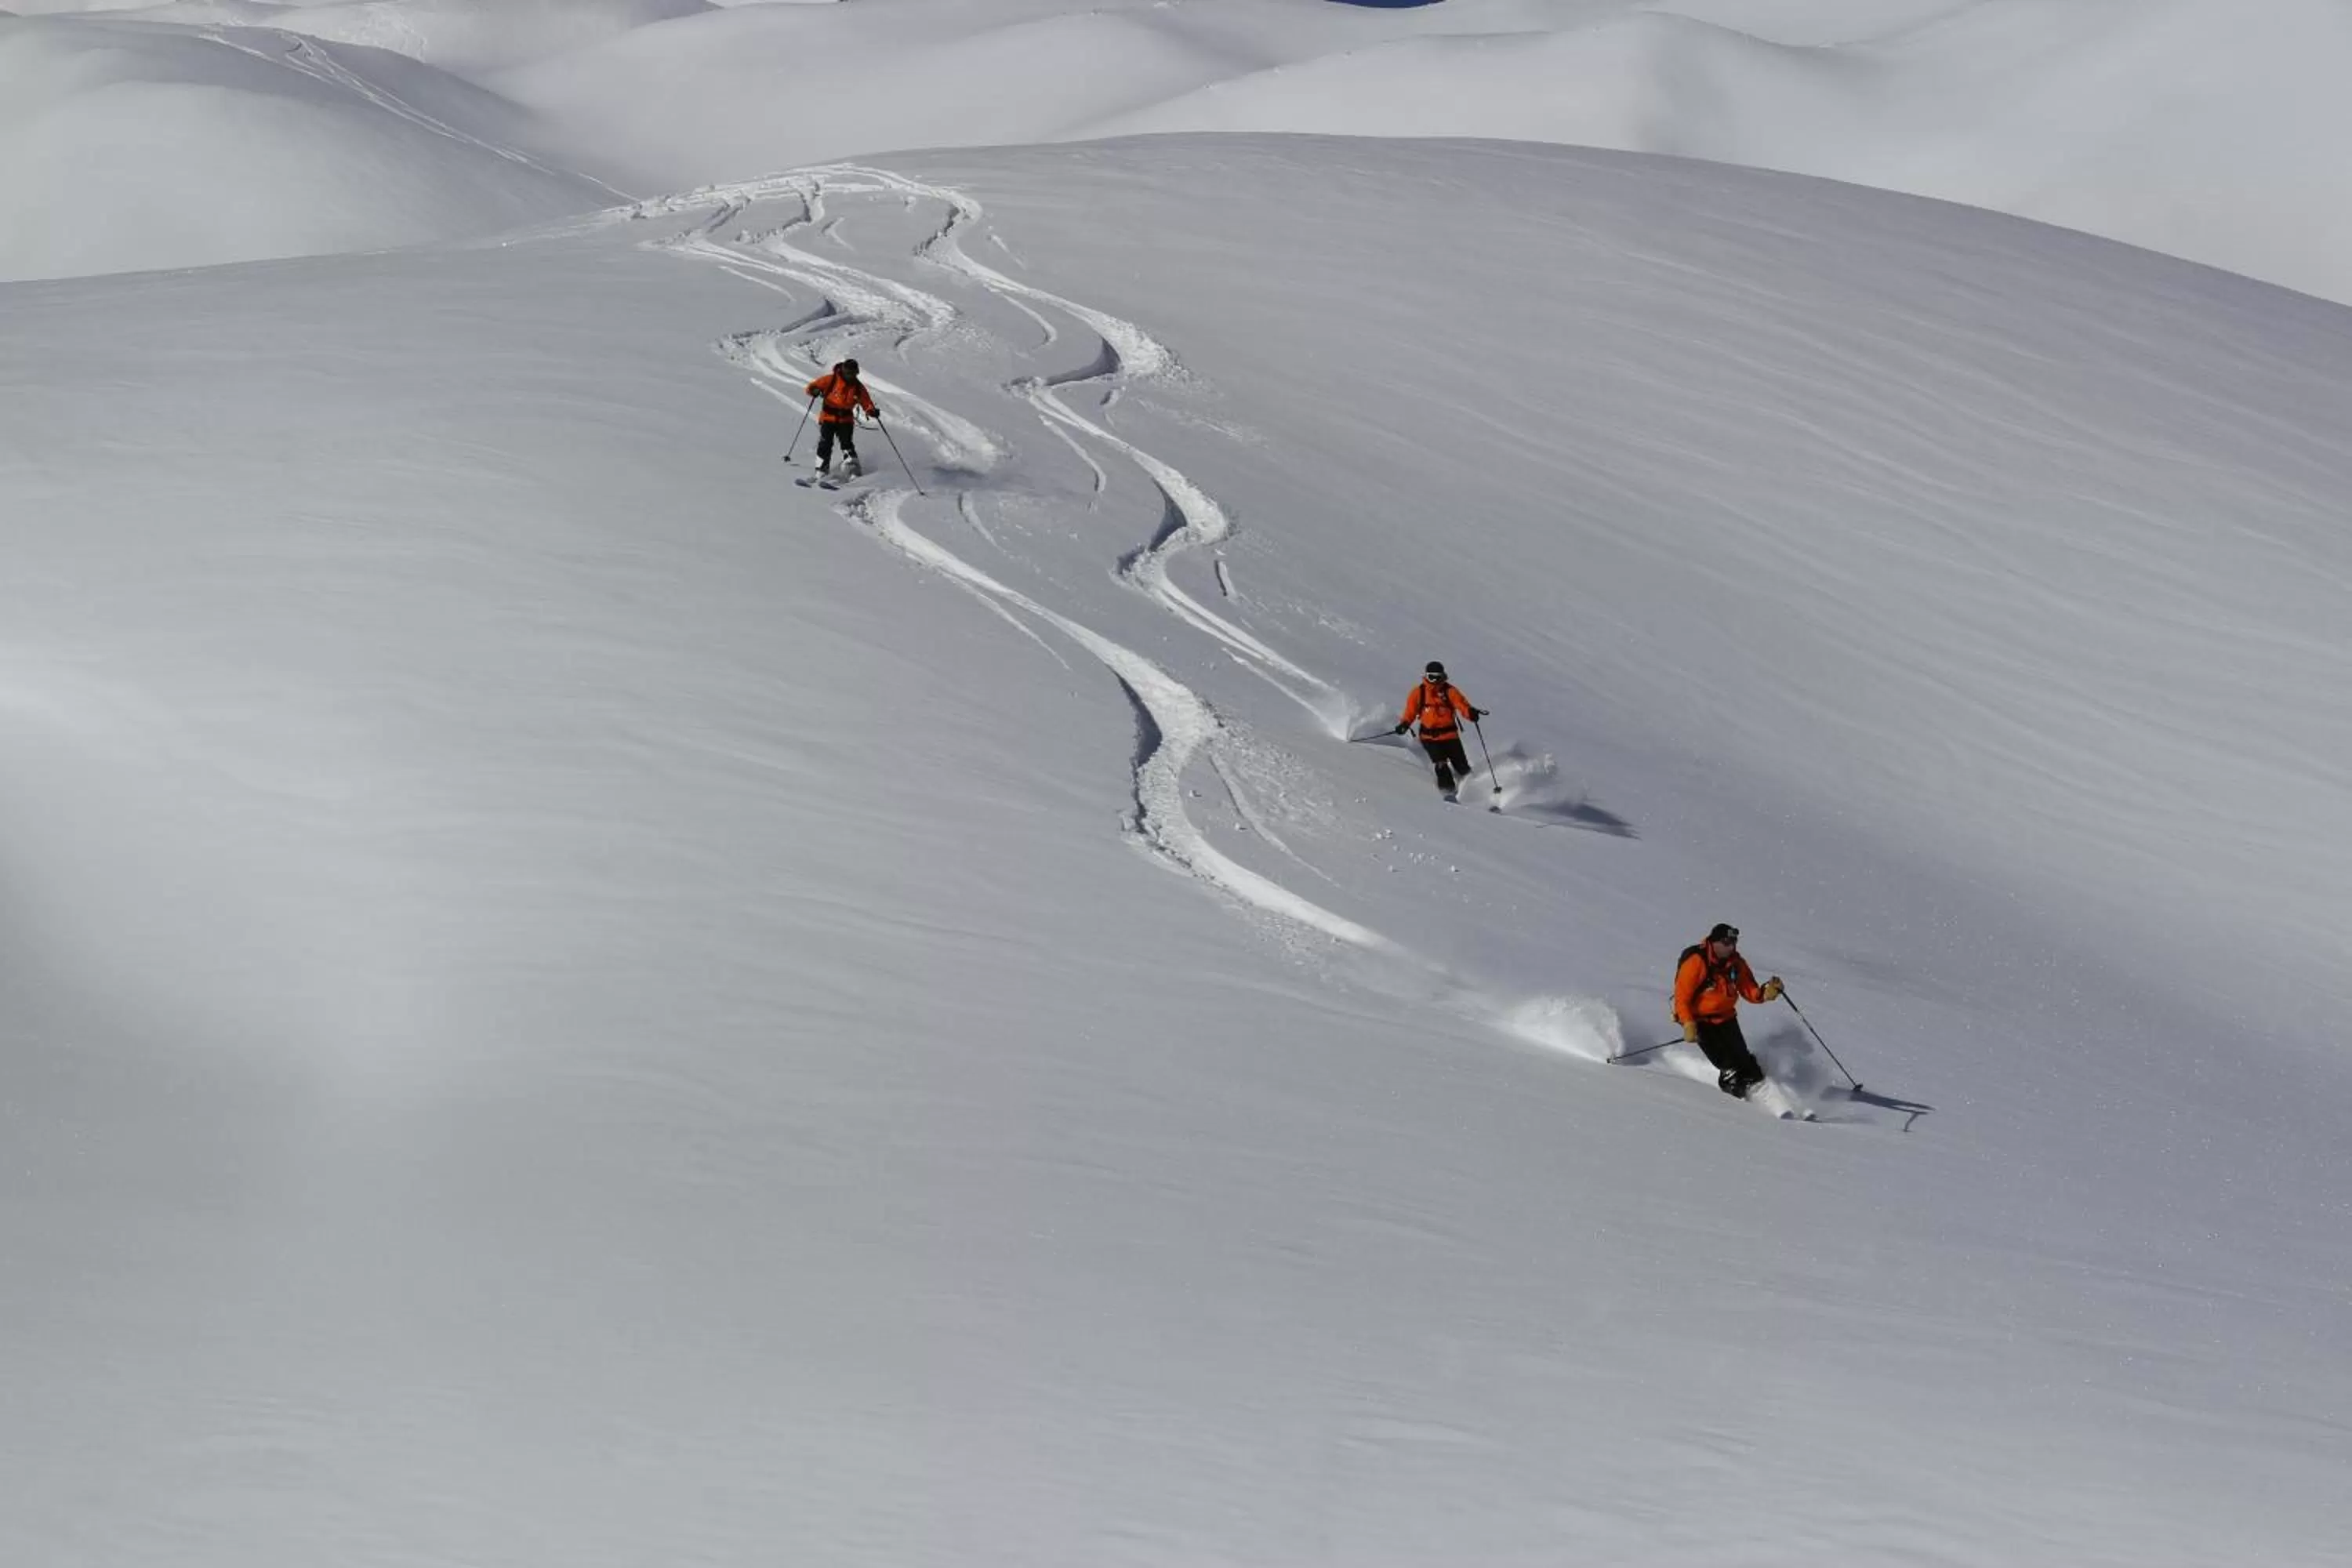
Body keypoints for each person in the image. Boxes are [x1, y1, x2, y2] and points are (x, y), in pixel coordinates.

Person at [1673, 923, 1784, 1098]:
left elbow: (1750, 991)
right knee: (1727, 1063)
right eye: (1726, 943)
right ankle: (1737, 1099)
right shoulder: (1696, 962)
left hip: (1726, 1017)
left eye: (1733, 942)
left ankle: (1763, 1089)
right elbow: (1682, 998)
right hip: (1699, 1021)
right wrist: (1688, 1024)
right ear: (1714, 942)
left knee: (1744, 1061)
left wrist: (1766, 993)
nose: (1730, 947)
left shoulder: (1736, 963)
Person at [1394, 660, 1484, 797]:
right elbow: (1410, 712)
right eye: (1432, 677)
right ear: (1426, 676)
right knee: (1440, 765)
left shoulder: (1450, 691)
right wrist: (1404, 724)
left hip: (1450, 736)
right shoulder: (1418, 693)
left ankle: (1476, 793)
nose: (1435, 681)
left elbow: (1462, 705)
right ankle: (1448, 792)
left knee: (1462, 767)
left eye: (1438, 677)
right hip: (1429, 738)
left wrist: (1470, 713)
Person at [804, 358, 878, 477]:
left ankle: (853, 470)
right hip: (828, 418)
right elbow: (811, 387)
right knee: (825, 443)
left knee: (847, 444)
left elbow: (866, 402)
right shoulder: (830, 380)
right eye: (848, 373)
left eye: (853, 373)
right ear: (843, 371)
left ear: (857, 372)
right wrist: (814, 390)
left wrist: (871, 411)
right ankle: (822, 470)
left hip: (846, 420)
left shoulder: (858, 387)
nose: (850, 376)